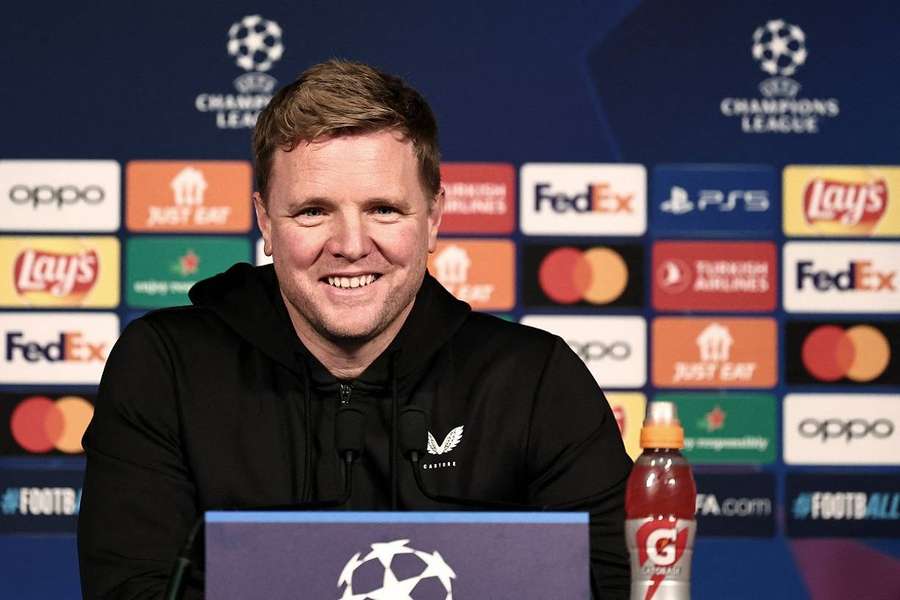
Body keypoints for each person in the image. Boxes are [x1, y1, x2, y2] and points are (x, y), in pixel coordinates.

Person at [77, 59, 632, 599]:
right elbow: (133, 587)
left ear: (434, 218)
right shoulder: (165, 367)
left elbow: (617, 583)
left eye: (384, 210)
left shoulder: (534, 378)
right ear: (266, 221)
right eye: (313, 211)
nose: (350, 245)